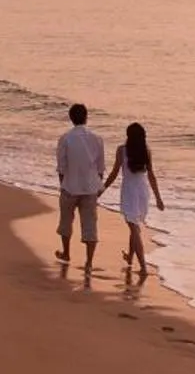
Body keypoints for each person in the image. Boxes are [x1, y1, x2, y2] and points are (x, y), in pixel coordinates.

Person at [103, 122, 164, 275]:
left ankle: (143, 267)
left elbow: (114, 173)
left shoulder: (122, 150)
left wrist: (102, 189)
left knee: (134, 227)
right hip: (143, 191)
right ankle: (130, 257)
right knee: (134, 226)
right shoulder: (146, 151)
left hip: (129, 191)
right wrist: (158, 198)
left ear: (128, 136)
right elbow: (151, 175)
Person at [54, 103, 106, 270]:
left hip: (70, 185)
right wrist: (97, 186)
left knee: (65, 223)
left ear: (71, 119)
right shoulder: (97, 138)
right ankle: (89, 262)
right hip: (90, 187)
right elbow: (100, 168)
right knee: (90, 226)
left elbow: (61, 166)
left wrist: (63, 183)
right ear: (86, 117)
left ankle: (66, 252)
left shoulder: (65, 138)